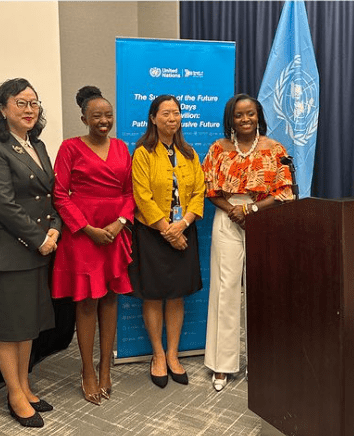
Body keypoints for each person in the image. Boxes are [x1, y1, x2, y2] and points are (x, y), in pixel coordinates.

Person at [0, 78, 61, 427]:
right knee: (9, 329)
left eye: (34, 103)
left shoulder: (38, 146)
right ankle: (14, 393)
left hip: (38, 249)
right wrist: (40, 238)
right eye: (21, 103)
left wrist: (55, 227)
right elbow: (5, 206)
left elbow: (51, 194)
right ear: (2, 109)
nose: (29, 110)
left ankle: (25, 385)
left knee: (27, 326)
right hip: (9, 253)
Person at [202, 93, 294, 391]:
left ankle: (263, 359)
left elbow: (285, 191)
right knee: (225, 289)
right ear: (231, 118)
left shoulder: (274, 148)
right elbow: (209, 189)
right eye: (239, 115)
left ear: (258, 116)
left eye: (250, 114)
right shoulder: (218, 149)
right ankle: (221, 364)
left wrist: (251, 209)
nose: (245, 120)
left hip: (264, 219)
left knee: (261, 289)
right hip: (228, 219)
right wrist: (234, 210)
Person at [51, 86, 135, 405]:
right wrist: (87, 229)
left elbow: (129, 194)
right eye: (97, 115)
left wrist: (119, 224)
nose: (104, 120)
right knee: (87, 301)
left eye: (108, 115)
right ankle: (86, 370)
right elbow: (59, 194)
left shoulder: (122, 147)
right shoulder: (70, 148)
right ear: (84, 117)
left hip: (114, 232)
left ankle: (105, 367)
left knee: (111, 298)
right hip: (84, 234)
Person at [129, 95, 205, 388]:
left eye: (176, 113)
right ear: (153, 118)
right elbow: (141, 195)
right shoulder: (143, 153)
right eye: (166, 113)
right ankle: (157, 355)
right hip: (152, 233)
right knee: (153, 294)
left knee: (176, 294)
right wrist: (166, 230)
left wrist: (182, 225)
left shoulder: (189, 153)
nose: (172, 118)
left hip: (184, 230)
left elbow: (199, 191)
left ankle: (174, 355)